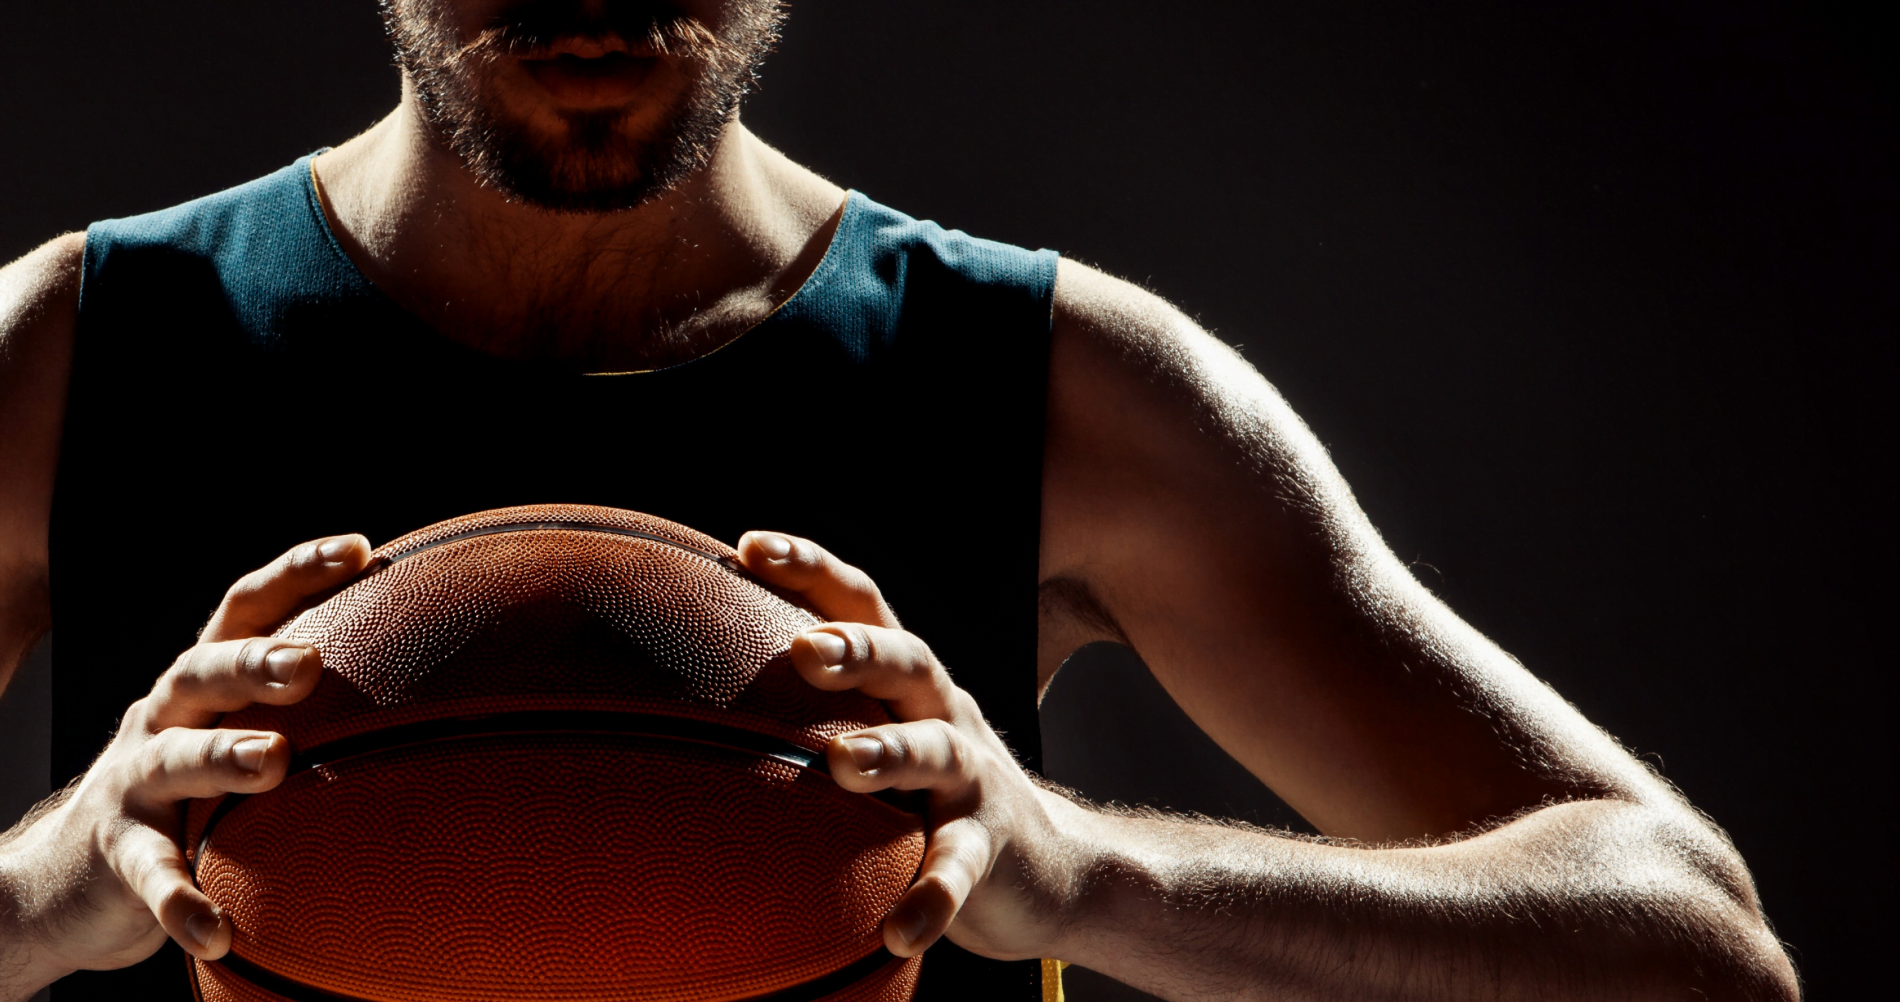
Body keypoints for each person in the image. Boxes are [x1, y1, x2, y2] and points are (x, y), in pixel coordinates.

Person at [0, 2, 1797, 1000]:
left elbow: (1696, 947)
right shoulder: (78, 350)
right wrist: (55, 878)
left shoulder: (1053, 381)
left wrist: (1092, 874)